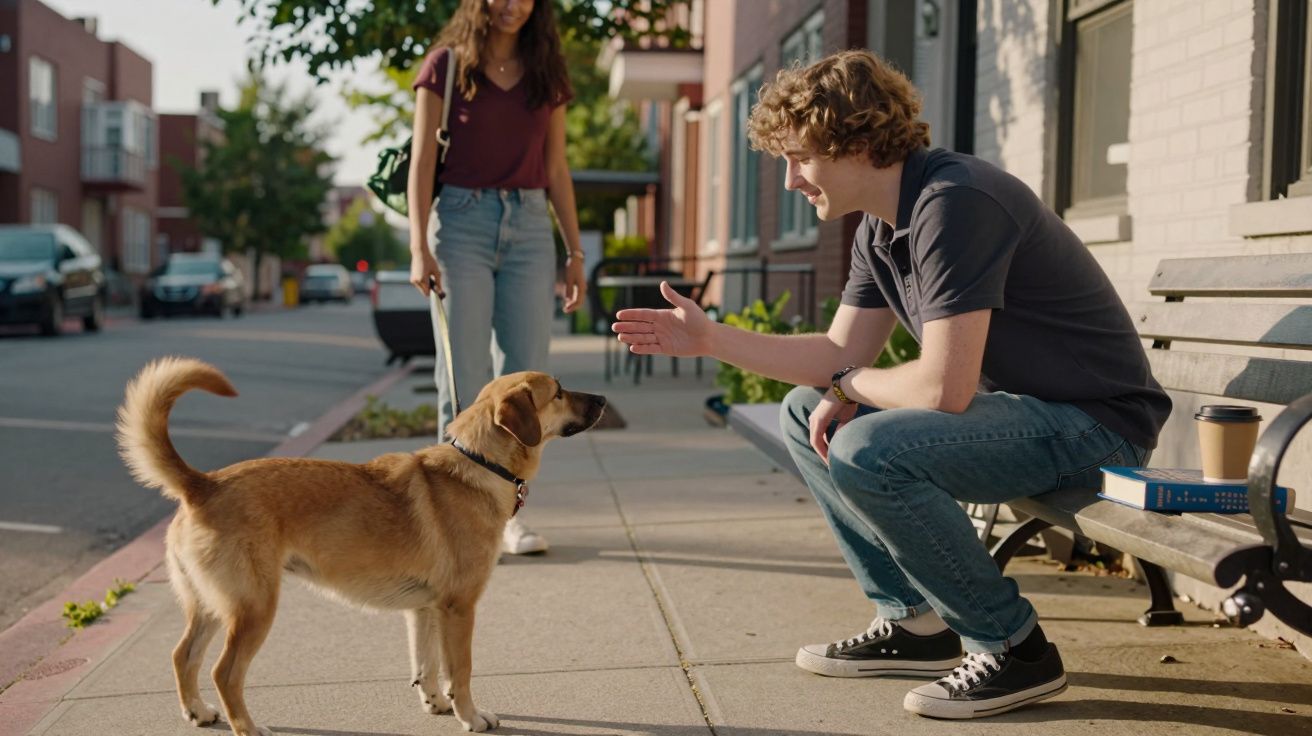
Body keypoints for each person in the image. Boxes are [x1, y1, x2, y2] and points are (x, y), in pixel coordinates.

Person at [611, 49, 1171, 719]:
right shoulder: (881, 228)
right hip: (1032, 416)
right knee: (803, 412)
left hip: (1098, 429)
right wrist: (711, 339)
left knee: (867, 448)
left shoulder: (954, 203)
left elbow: (942, 391)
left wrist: (848, 384)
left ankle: (1014, 648)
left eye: (801, 158)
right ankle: (916, 623)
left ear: (858, 143)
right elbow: (838, 352)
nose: (791, 181)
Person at [408, 0, 586, 555]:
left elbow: (556, 168)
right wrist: (417, 246)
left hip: (531, 225)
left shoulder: (546, 72)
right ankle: (451, 517)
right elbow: (421, 160)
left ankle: (508, 515)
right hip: (461, 222)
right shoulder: (446, 66)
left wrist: (574, 251)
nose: (513, 5)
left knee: (530, 382)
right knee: (463, 377)